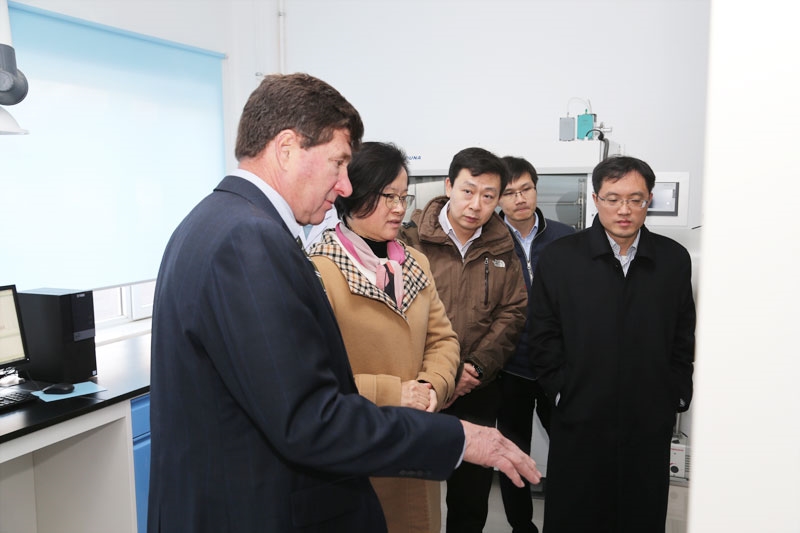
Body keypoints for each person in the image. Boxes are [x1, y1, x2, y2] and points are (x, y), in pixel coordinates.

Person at [148, 73, 540, 533]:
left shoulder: (211, 220)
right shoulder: (249, 240)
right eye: (337, 164)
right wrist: (458, 437)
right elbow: (308, 419)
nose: (344, 186)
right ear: (287, 148)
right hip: (252, 508)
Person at [530, 155, 695, 532]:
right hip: (580, 412)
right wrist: (561, 390)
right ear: (595, 199)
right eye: (613, 198)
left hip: (648, 416)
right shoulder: (561, 258)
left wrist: (674, 393)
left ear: (649, 200)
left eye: (636, 199)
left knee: (640, 511)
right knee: (577, 511)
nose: (624, 209)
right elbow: (542, 333)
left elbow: (683, 334)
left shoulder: (672, 259)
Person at [309, 141, 460, 532]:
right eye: (386, 196)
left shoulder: (415, 262)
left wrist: (432, 385)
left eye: (403, 197)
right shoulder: (319, 270)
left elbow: (443, 340)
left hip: (416, 441)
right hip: (359, 444)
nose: (398, 208)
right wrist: (394, 393)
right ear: (354, 194)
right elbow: (312, 377)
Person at [400, 147, 528, 533]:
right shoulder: (409, 239)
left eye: (488, 196)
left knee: (470, 496)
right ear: (448, 186)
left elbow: (513, 311)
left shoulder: (503, 245)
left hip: (477, 387)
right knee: (410, 488)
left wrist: (474, 368)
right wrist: (438, 375)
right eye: (468, 191)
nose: (476, 205)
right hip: (419, 386)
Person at [496, 155, 575, 533]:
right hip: (509, 368)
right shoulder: (489, 239)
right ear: (498, 198)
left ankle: (563, 519)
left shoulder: (565, 237)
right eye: (509, 193)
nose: (520, 199)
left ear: (535, 188)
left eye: (526, 189)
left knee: (569, 450)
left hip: (556, 367)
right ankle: (521, 526)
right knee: (513, 454)